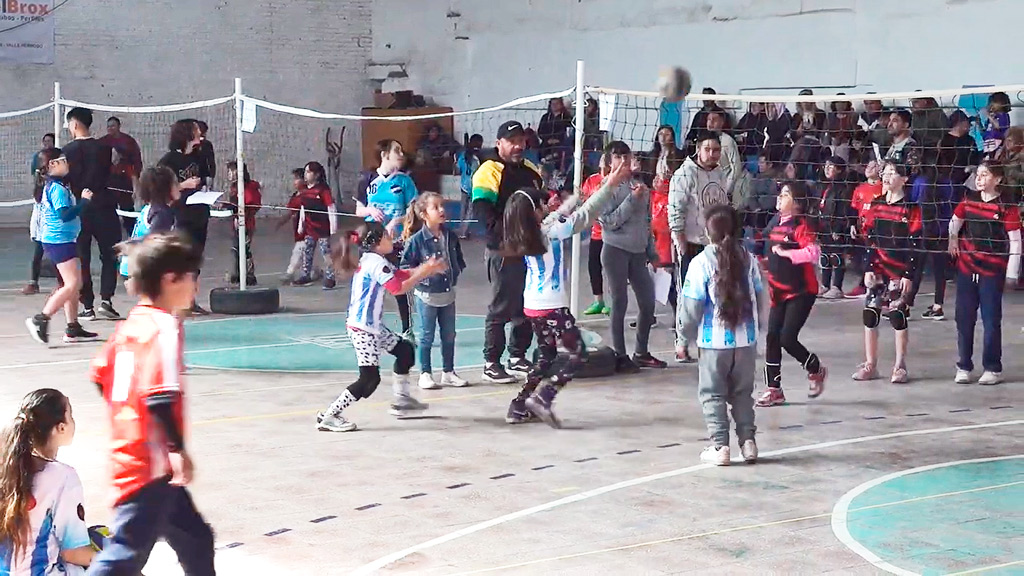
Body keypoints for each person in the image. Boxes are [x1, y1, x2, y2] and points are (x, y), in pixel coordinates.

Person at [88, 233, 214, 575]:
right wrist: (176, 449)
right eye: (192, 278)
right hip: (149, 465)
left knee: (196, 539)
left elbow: (100, 375)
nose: (196, 287)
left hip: (133, 451)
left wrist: (127, 415)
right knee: (124, 555)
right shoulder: (164, 327)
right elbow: (159, 396)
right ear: (170, 279)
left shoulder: (132, 323)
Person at [499, 160, 630, 426]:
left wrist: (573, 199)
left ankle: (518, 405)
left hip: (533, 307)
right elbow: (585, 217)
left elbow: (554, 216)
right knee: (579, 353)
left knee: (546, 355)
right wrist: (608, 187)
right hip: (552, 307)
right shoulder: (551, 233)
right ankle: (543, 397)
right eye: (542, 204)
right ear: (534, 211)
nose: (548, 205)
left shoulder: (527, 233)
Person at [315, 222, 446, 432]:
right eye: (386, 235)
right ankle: (329, 415)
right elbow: (397, 288)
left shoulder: (373, 259)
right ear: (376, 242)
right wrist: (424, 272)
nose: (391, 238)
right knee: (369, 379)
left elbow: (400, 275)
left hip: (371, 326)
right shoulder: (375, 262)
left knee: (404, 351)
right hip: (363, 329)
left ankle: (402, 402)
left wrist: (426, 269)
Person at [678, 204, 765, 466]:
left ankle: (720, 446)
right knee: (742, 393)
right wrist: (761, 329)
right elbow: (761, 297)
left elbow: (691, 308)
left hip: (714, 342)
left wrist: (683, 337)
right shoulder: (749, 259)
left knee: (713, 393)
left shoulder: (700, 263)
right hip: (746, 341)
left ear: (707, 231)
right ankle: (748, 443)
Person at [471, 120, 543, 383]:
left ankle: (517, 356)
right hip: (504, 251)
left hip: (528, 250)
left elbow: (540, 203)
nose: (517, 146)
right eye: (512, 141)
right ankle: (491, 362)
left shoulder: (531, 170)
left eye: (521, 141)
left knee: (526, 306)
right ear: (499, 143)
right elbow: (482, 210)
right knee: (501, 306)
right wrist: (502, 241)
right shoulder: (489, 170)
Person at [0, 389, 95, 574]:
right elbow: (73, 552)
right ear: (61, 427)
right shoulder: (62, 477)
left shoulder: (5, 467)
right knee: (108, 551)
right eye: (71, 415)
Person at [756, 181, 828, 407]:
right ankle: (774, 389)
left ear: (797, 204)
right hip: (778, 290)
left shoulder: (801, 225)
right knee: (772, 337)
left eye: (786, 194)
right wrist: (762, 260)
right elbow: (764, 245)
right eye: (780, 193)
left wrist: (788, 255)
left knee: (787, 338)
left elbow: (813, 253)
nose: (780, 197)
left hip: (802, 291)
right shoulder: (774, 222)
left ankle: (814, 367)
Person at [948, 162, 1020, 385]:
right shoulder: (968, 200)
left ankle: (992, 368)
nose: (979, 179)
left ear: (997, 179)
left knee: (990, 320)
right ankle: (964, 365)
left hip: (992, 270)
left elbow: (1015, 242)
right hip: (966, 268)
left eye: (984, 175)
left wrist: (1012, 273)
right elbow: (954, 222)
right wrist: (953, 240)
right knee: (964, 319)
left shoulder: (1006, 206)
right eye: (977, 175)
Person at [599, 141, 667, 372]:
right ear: (610, 162)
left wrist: (652, 252)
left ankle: (641, 352)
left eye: (627, 157)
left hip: (638, 253)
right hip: (615, 250)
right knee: (619, 302)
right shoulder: (606, 189)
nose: (625, 162)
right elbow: (609, 223)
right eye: (619, 158)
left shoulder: (640, 186)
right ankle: (619, 353)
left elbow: (646, 223)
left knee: (648, 303)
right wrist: (631, 200)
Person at [853, 161, 922, 384]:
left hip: (899, 271)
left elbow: (916, 243)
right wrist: (869, 268)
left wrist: (909, 274)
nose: (888, 177)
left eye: (893, 173)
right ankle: (870, 364)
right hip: (879, 268)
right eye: (886, 173)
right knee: (870, 315)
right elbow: (870, 239)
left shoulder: (911, 208)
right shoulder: (876, 204)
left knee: (897, 316)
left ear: (904, 179)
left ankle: (900, 366)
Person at [25, 149, 98, 345]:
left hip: (66, 239)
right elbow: (64, 215)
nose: (67, 163)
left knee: (74, 284)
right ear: (51, 165)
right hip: (58, 241)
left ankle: (72, 327)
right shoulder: (56, 188)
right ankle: (40, 319)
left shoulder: (58, 186)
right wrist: (84, 202)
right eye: (62, 160)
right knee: (72, 284)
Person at [669, 131, 728, 363]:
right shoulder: (684, 174)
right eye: (708, 149)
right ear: (698, 149)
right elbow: (675, 208)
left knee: (719, 294)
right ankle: (681, 343)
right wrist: (679, 239)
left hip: (717, 244)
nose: (712, 154)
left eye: (716, 150)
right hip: (692, 244)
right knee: (690, 297)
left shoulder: (720, 172)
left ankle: (713, 339)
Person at [400, 192, 468, 390]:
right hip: (426, 295)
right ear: (423, 214)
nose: (441, 210)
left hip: (448, 293)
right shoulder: (416, 240)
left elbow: (458, 259)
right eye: (435, 207)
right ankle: (425, 373)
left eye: (442, 206)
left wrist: (454, 270)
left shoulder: (450, 236)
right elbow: (405, 267)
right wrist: (426, 271)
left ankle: (448, 372)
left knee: (449, 334)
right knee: (427, 335)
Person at [62, 107, 121, 322]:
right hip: (104, 205)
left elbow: (63, 180)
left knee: (82, 257)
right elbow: (112, 171)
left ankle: (88, 306)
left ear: (75, 124)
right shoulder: (105, 148)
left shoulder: (66, 151)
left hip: (80, 208)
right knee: (109, 254)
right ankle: (107, 300)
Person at [158, 119, 208, 315]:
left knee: (195, 260)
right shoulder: (168, 161)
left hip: (200, 212)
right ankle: (172, 300)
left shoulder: (199, 156)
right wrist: (183, 185)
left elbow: (203, 179)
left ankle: (190, 299)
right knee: (179, 260)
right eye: (196, 130)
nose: (199, 133)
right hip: (180, 215)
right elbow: (160, 188)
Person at [118, 166, 180, 295]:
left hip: (133, 264)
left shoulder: (149, 208)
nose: (178, 186)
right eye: (175, 183)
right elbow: (154, 240)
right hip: (143, 266)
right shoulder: (163, 213)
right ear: (166, 188)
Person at [289, 161, 338, 289]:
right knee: (307, 251)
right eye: (305, 172)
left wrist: (333, 226)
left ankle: (330, 277)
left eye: (309, 172)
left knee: (326, 252)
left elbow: (331, 207)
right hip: (310, 228)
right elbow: (303, 209)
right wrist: (301, 225)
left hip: (322, 228)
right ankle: (305, 274)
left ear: (316, 175)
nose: (306, 174)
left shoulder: (323, 190)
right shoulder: (304, 190)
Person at [814, 156, 855, 298]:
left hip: (835, 227)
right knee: (824, 256)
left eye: (831, 166)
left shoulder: (843, 188)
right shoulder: (824, 185)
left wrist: (838, 227)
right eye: (826, 165)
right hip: (823, 225)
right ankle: (825, 285)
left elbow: (843, 209)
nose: (827, 169)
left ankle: (837, 286)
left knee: (836, 256)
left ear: (839, 170)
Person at [99, 116, 143, 238]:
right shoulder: (102, 142)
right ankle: (111, 236)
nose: (110, 129)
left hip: (125, 180)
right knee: (109, 210)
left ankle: (133, 235)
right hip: (108, 181)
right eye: (108, 126)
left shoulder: (128, 141)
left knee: (127, 209)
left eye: (113, 126)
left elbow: (137, 162)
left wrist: (135, 181)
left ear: (118, 126)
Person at [224, 161, 262, 286]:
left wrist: (240, 213)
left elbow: (250, 203)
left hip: (246, 222)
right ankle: (239, 272)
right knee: (236, 248)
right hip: (237, 221)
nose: (229, 174)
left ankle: (249, 274)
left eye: (232, 171)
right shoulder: (234, 187)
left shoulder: (247, 187)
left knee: (244, 248)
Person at [582, 152, 611, 316]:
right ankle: (598, 301)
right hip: (596, 233)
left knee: (613, 269)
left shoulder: (615, 180)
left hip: (612, 233)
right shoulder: (592, 180)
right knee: (594, 266)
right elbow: (586, 200)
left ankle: (614, 302)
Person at [456, 133, 483, 238]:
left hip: (464, 186)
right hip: (474, 187)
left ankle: (462, 229)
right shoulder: (477, 159)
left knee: (463, 209)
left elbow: (458, 169)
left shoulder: (463, 156)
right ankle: (464, 232)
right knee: (470, 211)